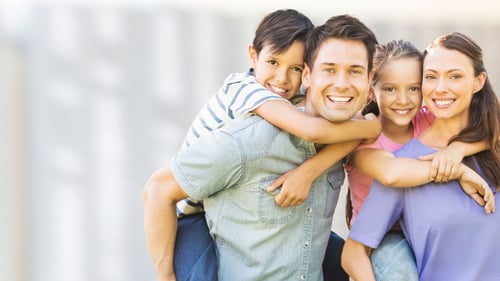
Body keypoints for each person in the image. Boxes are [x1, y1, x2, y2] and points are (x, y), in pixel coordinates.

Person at [143, 14, 379, 281]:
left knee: (342, 254)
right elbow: (158, 189)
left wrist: (310, 170)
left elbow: (334, 131)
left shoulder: (328, 118)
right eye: (329, 69)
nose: (282, 78)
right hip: (189, 215)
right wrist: (165, 276)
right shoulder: (248, 112)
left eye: (355, 71)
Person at [341, 32, 500, 281]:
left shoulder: (436, 123)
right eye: (431, 77)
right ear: (373, 90)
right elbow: (392, 174)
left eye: (455, 76)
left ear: (478, 81)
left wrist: (457, 150)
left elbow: (487, 124)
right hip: (386, 240)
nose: (440, 88)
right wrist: (455, 169)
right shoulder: (380, 150)